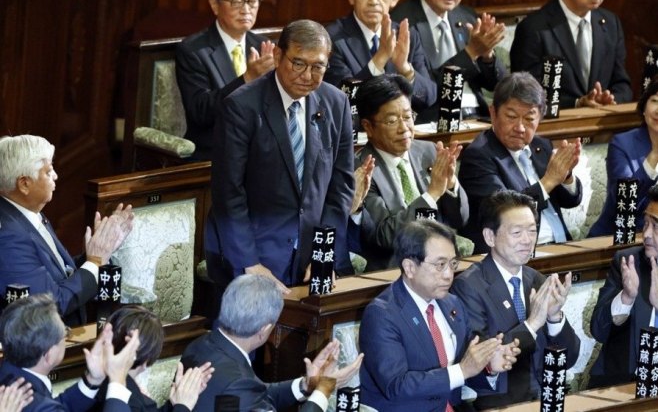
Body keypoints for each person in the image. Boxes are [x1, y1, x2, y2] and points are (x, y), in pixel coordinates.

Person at [208, 19, 355, 292]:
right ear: (277, 56)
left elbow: (341, 185)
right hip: (254, 255)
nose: (307, 75)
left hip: (313, 257)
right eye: (298, 63)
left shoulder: (337, 103)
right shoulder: (241, 107)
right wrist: (249, 263)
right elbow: (228, 193)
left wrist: (324, 252)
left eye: (318, 66)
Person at [359, 219, 520, 411]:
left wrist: (489, 365)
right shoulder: (382, 314)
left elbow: (465, 369)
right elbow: (397, 386)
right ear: (410, 267)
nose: (448, 274)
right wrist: (462, 370)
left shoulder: (452, 303)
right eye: (440, 265)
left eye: (452, 264)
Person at [452, 190, 580, 408]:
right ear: (489, 237)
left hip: (547, 397)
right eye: (517, 232)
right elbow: (480, 362)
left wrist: (554, 318)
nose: (527, 240)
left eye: (532, 231)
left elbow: (568, 359)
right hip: (500, 403)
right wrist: (532, 325)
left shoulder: (538, 280)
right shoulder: (469, 286)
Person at [0, 135, 134, 326]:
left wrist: (94, 255)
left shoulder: (28, 214)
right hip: (40, 349)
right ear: (24, 184)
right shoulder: (8, 236)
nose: (55, 176)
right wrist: (95, 262)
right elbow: (49, 305)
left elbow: (57, 277)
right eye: (48, 171)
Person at [180, 274, 363, 411]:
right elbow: (246, 393)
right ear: (264, 330)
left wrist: (307, 385)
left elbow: (257, 394)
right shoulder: (238, 383)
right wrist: (324, 388)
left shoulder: (198, 346)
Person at [458, 72, 582, 253]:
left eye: (530, 119)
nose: (520, 128)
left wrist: (566, 175)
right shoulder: (478, 156)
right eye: (511, 116)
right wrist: (548, 181)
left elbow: (571, 200)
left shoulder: (541, 145)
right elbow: (505, 211)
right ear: (493, 113)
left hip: (562, 248)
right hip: (515, 255)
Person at [353, 74, 468, 270]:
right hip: (395, 268)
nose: (404, 128)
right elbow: (384, 236)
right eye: (391, 121)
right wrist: (431, 195)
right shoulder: (362, 170)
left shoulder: (428, 152)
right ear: (368, 127)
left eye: (407, 117)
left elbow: (461, 218)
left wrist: (450, 185)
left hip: (442, 261)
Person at [510, 0, 632, 109]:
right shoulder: (534, 29)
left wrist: (610, 99)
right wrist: (577, 103)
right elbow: (525, 93)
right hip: (556, 128)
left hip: (602, 126)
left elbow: (622, 84)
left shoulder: (611, 24)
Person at [391, 0, 507, 121]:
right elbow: (425, 89)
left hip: (477, 116)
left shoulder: (467, 16)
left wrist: (487, 55)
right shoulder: (402, 23)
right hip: (432, 119)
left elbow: (496, 85)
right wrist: (471, 53)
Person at [176, 0, 275, 160]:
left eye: (252, 1)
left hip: (257, 154)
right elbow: (200, 112)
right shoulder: (194, 50)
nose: (246, 9)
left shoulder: (264, 46)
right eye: (237, 1)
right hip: (214, 156)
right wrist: (247, 79)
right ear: (215, 5)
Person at [324, 0, 437, 118]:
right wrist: (380, 58)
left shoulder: (407, 36)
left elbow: (429, 97)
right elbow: (342, 100)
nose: (373, 1)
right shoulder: (333, 39)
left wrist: (405, 70)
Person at [0, 293, 140, 412]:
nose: (67, 335)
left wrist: (93, 380)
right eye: (65, 333)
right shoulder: (34, 402)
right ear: (48, 354)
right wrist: (118, 380)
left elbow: (57, 406)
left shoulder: (9, 372)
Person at [589, 184, 658, 387]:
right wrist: (626, 298)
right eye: (645, 224)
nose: (645, 234)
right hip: (618, 387)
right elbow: (599, 331)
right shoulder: (629, 262)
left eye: (656, 227)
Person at [90, 306, 213, 412]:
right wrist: (183, 406)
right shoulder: (126, 398)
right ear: (148, 356)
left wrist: (175, 403)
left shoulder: (102, 381)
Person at [589, 78, 658, 236]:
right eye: (654, 101)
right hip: (620, 239)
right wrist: (654, 155)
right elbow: (624, 203)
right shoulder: (622, 144)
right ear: (644, 108)